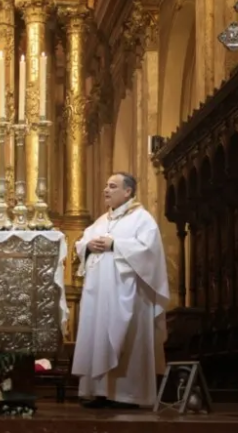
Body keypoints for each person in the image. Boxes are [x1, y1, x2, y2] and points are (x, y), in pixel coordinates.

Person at [72, 172, 169, 409]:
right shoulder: (102, 221)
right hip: (98, 292)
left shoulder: (142, 219)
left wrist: (115, 244)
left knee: (127, 338)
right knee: (97, 335)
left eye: (112, 186)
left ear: (128, 191)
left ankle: (127, 394)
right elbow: (82, 242)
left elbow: (150, 252)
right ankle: (98, 392)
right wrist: (87, 246)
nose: (106, 190)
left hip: (129, 295)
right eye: (106, 185)